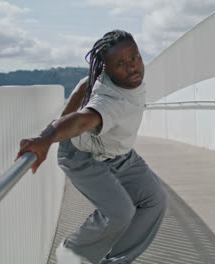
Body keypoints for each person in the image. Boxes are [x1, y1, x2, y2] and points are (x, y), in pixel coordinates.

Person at [15, 30, 167, 264]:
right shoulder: (110, 101)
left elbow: (81, 87)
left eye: (135, 57)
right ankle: (72, 250)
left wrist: (55, 126)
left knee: (154, 200)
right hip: (83, 156)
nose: (132, 67)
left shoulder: (104, 75)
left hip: (117, 154)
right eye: (121, 64)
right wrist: (47, 138)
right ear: (109, 68)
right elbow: (83, 120)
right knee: (120, 212)